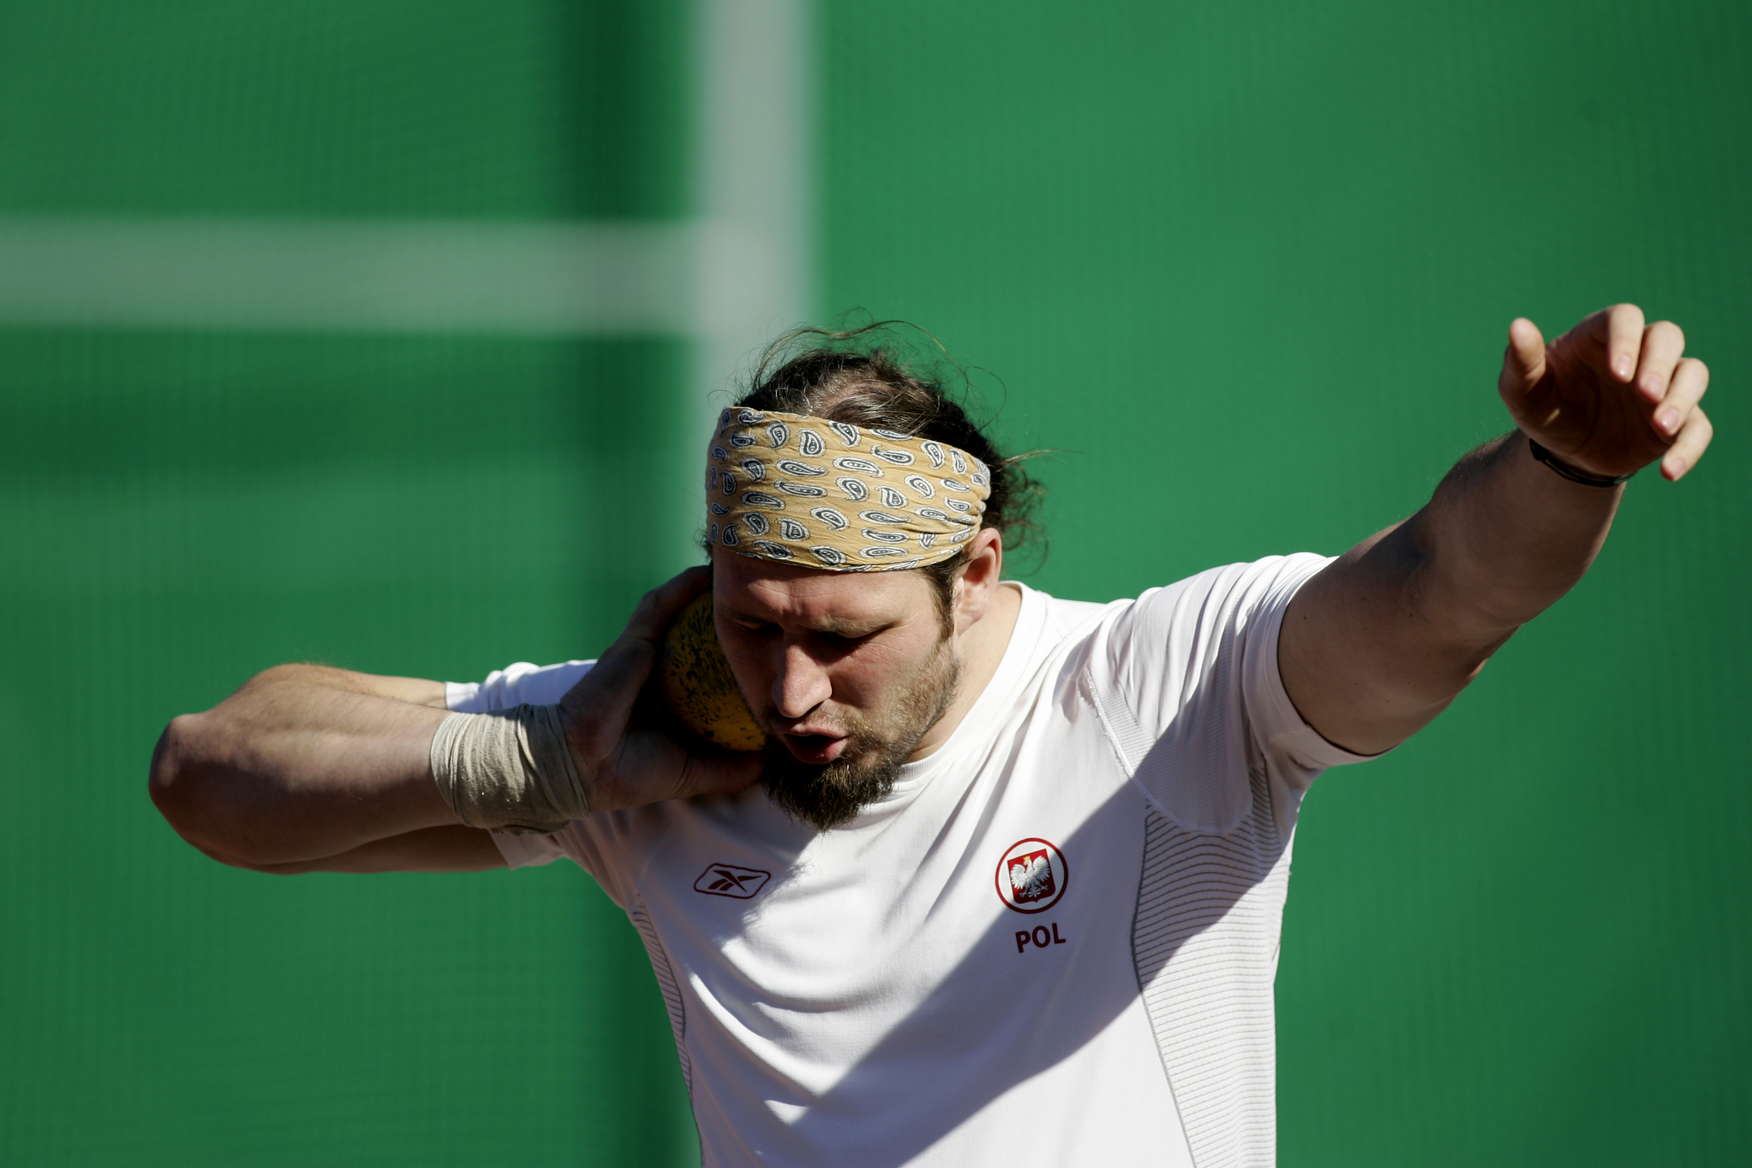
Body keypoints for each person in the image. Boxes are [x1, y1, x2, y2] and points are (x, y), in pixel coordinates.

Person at [149, 305, 1713, 1166]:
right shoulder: (640, 746)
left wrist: (1566, 470)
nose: (792, 691)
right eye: (752, 623)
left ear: (973, 573)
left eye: (842, 638)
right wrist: (545, 763)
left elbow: (1442, 590)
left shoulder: (1162, 692)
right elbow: (209, 774)